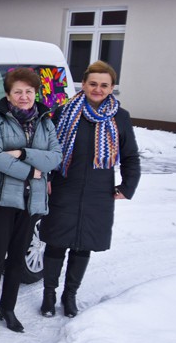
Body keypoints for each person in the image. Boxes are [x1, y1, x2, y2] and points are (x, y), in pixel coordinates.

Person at [39, 61, 140, 318]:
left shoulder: (120, 117)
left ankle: (69, 295)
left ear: (112, 88)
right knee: (56, 243)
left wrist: (128, 186)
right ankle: (49, 294)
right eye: (93, 83)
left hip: (99, 191)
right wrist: (46, 177)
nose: (97, 89)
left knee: (84, 245)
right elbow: (48, 149)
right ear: (83, 84)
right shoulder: (63, 112)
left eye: (104, 85)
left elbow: (130, 156)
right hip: (64, 185)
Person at [0, 68, 63, 337]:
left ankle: (8, 309)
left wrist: (22, 152)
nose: (24, 96)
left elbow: (55, 157)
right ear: (8, 94)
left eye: (29, 91)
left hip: (30, 200)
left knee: (16, 259)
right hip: (1, 200)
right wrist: (30, 171)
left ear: (35, 93)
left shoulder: (45, 121)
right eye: (18, 91)